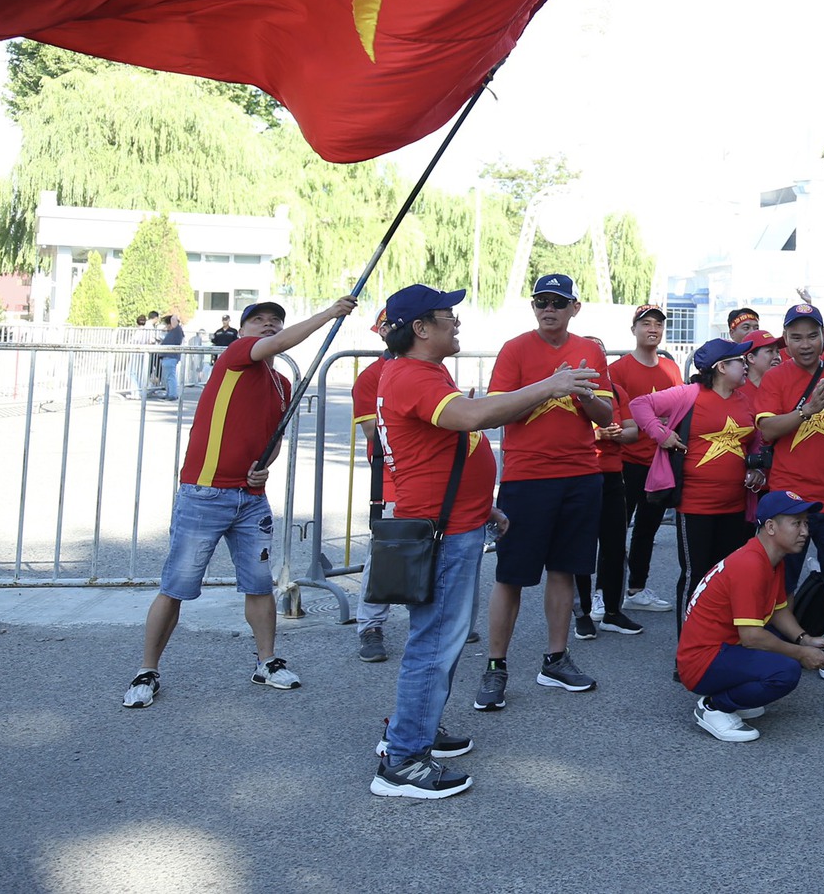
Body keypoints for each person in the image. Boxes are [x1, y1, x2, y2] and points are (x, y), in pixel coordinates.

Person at [366, 284, 595, 799]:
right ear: (420, 328)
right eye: (448, 316)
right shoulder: (413, 375)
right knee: (434, 643)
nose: (457, 323)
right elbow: (473, 418)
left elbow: (443, 443)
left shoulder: (421, 372)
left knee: (438, 640)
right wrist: (550, 386)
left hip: (452, 519)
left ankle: (416, 730)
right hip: (442, 530)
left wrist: (482, 503)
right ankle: (402, 758)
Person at [121, 294, 356, 710]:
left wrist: (262, 467)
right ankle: (147, 670)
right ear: (244, 329)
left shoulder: (282, 384)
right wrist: (329, 314)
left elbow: (274, 439)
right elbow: (276, 348)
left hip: (251, 500)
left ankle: (267, 662)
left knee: (259, 584)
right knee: (176, 586)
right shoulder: (236, 354)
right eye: (259, 320)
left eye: (276, 321)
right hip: (204, 493)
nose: (269, 325)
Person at [475, 274, 613, 710]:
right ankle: (496, 666)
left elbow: (606, 412)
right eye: (541, 302)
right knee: (511, 575)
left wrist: (581, 396)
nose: (548, 309)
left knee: (565, 569)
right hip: (527, 477)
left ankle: (555, 658)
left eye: (558, 302)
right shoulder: (515, 349)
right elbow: (497, 412)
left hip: (580, 475)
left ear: (574, 307)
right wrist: (549, 386)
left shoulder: (589, 350)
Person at [754, 304, 824, 661]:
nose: (805, 344)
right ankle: (784, 647)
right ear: (786, 340)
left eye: (812, 335)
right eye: (796, 336)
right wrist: (806, 411)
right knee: (779, 580)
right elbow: (767, 429)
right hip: (789, 498)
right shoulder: (775, 378)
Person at [675, 490, 824, 742]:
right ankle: (714, 706)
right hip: (702, 662)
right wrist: (801, 653)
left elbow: (778, 609)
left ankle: (732, 696)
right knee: (786, 672)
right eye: (796, 523)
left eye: (806, 523)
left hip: (720, 650)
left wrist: (806, 639)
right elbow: (751, 637)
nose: (805, 531)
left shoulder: (770, 557)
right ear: (770, 527)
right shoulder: (751, 564)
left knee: (780, 659)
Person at [629, 337, 762, 614]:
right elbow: (639, 405)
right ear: (721, 367)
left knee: (725, 576)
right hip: (696, 506)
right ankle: (688, 651)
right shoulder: (688, 394)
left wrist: (756, 470)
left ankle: (718, 644)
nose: (746, 364)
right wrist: (661, 434)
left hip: (736, 506)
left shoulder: (745, 402)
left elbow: (752, 445)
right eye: (740, 360)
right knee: (695, 576)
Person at [610, 305, 683, 613]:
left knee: (647, 530)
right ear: (634, 329)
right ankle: (606, 592)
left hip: (660, 462)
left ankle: (637, 588)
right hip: (627, 460)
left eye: (658, 324)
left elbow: (680, 410)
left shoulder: (671, 368)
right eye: (646, 324)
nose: (652, 329)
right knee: (615, 529)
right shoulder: (618, 369)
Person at [571, 360, 644, 640]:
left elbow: (633, 432)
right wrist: (598, 433)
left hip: (613, 476)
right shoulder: (569, 389)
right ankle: (583, 614)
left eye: (600, 354)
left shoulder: (615, 390)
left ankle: (613, 611)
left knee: (614, 545)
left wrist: (616, 434)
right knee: (579, 547)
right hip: (580, 475)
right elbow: (562, 433)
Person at [352, 306, 399, 663]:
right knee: (384, 553)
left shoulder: (435, 368)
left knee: (434, 549)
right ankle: (370, 625)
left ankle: (434, 617)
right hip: (391, 474)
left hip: (428, 473)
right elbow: (373, 432)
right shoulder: (372, 375)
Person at [152, 314, 186, 400]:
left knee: (170, 376)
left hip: (171, 356)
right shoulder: (172, 332)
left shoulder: (177, 330)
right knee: (167, 377)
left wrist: (171, 317)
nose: (166, 327)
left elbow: (174, 318)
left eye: (167, 324)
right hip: (167, 357)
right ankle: (169, 393)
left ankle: (173, 394)